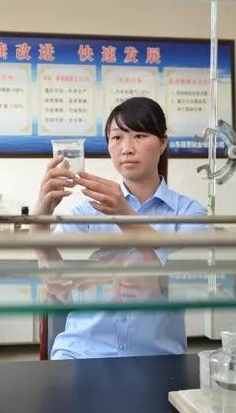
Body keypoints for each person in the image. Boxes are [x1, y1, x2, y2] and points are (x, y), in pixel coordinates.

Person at [31, 97, 207, 360]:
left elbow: (175, 279)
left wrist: (124, 215)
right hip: (82, 352)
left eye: (139, 136)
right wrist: (40, 219)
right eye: (116, 137)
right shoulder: (87, 211)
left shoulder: (190, 214)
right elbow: (58, 282)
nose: (126, 148)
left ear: (162, 143)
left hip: (155, 357)